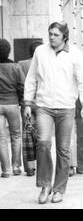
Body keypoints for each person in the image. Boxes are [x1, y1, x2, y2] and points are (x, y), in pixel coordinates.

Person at [24, 21, 83, 204]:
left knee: (63, 149)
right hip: (43, 106)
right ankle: (45, 185)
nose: (51, 37)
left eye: (55, 35)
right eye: (50, 34)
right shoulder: (40, 52)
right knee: (43, 143)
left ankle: (59, 189)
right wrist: (28, 103)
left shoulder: (75, 55)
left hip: (66, 107)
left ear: (64, 37)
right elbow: (31, 78)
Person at [0, 39, 25, 178]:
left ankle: (6, 170)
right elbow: (22, 86)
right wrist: (22, 102)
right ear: (8, 51)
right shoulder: (16, 67)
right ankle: (16, 167)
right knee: (16, 135)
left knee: (1, 138)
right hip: (13, 104)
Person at [18, 40, 43, 177]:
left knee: (27, 134)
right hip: (41, 103)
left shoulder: (21, 64)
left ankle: (29, 168)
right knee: (41, 135)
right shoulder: (44, 63)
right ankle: (42, 164)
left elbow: (21, 84)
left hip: (26, 103)